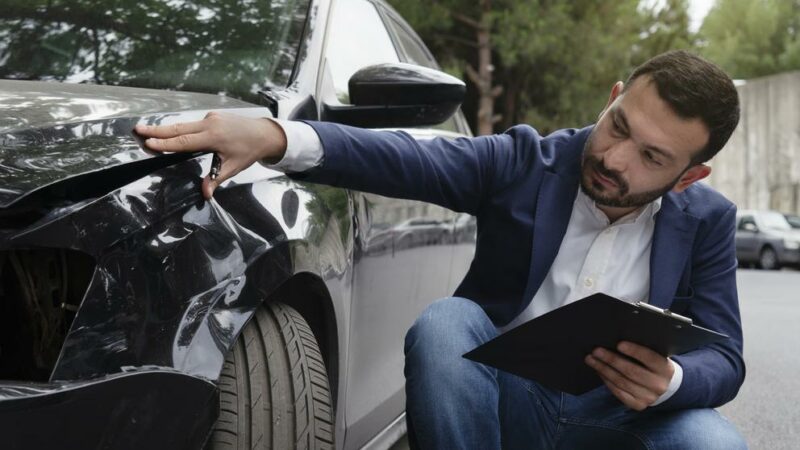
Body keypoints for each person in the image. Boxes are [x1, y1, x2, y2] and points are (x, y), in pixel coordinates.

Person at [135, 50, 747, 449]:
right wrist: (274, 135)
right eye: (619, 126)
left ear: (690, 176)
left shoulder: (708, 222)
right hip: (503, 407)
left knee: (714, 442)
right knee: (447, 323)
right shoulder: (526, 162)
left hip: (615, 421)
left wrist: (670, 382)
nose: (614, 158)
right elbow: (408, 157)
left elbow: (725, 355)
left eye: (652, 158)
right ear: (611, 97)